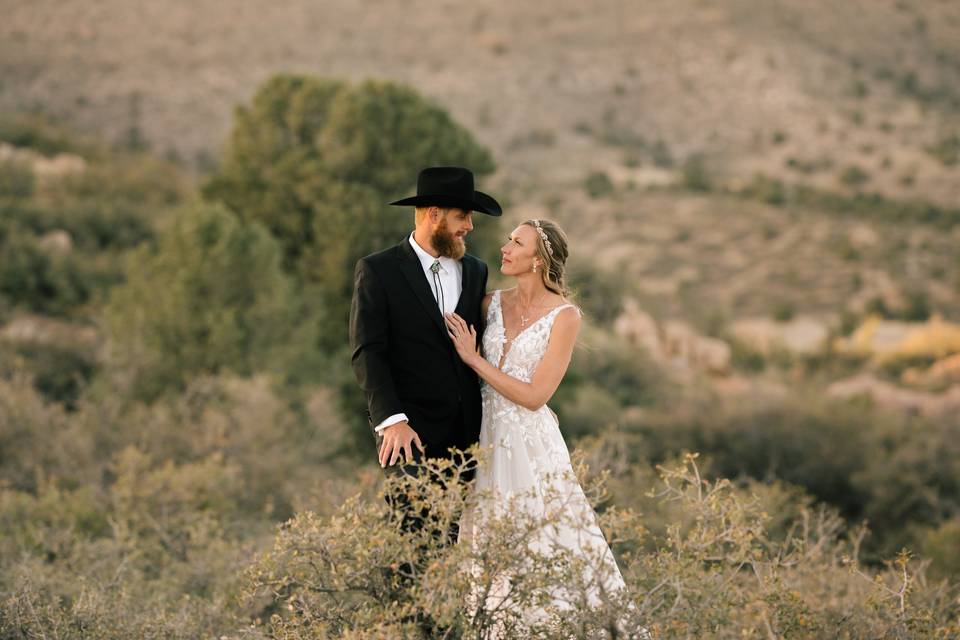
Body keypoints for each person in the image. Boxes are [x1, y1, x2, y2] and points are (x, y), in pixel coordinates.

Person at [445, 219, 648, 636]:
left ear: (537, 260)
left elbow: (537, 395)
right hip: (484, 440)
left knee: (543, 542)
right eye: (508, 240)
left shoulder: (565, 317)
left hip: (529, 445)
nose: (505, 247)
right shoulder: (489, 304)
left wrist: (474, 359)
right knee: (487, 549)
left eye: (516, 243)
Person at [349, 166, 501, 537]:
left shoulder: (476, 271)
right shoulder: (378, 270)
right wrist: (392, 421)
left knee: (449, 542)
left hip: (466, 436)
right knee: (413, 540)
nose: (469, 226)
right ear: (433, 215)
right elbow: (367, 350)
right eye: (462, 216)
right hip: (408, 434)